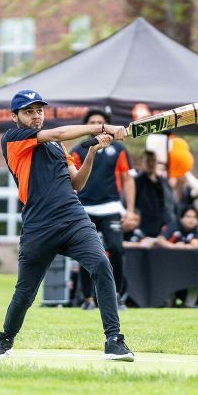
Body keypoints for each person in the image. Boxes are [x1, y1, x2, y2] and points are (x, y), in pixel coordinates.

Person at [0, 90, 133, 361]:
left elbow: (76, 183)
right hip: (39, 226)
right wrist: (104, 127)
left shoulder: (57, 147)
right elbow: (56, 133)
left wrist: (91, 152)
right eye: (29, 112)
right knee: (26, 292)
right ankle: (5, 339)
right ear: (15, 117)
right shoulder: (13, 139)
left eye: (39, 110)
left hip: (74, 219)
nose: (35, 116)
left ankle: (114, 340)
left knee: (102, 265)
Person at [71, 109, 136, 311]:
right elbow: (72, 182)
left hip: (111, 207)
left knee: (116, 249)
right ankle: (88, 298)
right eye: (93, 122)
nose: (97, 124)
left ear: (107, 124)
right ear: (87, 125)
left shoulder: (119, 150)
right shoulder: (78, 150)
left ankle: (117, 296)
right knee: (85, 253)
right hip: (85, 208)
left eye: (101, 121)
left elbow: (127, 180)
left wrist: (131, 210)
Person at [135, 151, 175, 238]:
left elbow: (170, 203)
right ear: (142, 162)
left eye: (153, 161)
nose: (151, 164)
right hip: (143, 229)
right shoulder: (137, 182)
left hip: (163, 228)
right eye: (148, 161)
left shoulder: (163, 182)